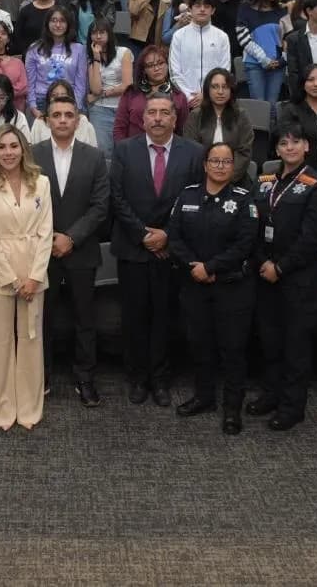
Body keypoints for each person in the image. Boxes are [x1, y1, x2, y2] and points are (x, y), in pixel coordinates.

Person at [110, 93, 204, 406]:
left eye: (165, 112)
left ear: (176, 119)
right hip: (133, 249)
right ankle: (137, 378)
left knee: (165, 317)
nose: (159, 118)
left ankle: (161, 379)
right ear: (143, 117)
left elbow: (193, 199)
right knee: (135, 318)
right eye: (153, 112)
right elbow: (117, 198)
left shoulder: (193, 153)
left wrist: (167, 235)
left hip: (171, 251)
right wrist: (142, 235)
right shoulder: (124, 150)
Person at [166, 140, 259, 434]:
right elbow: (174, 236)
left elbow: (245, 243)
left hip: (232, 288)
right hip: (194, 284)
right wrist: (195, 266)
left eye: (226, 161)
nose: (220, 166)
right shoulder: (188, 195)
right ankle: (204, 397)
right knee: (200, 345)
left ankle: (232, 407)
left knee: (232, 349)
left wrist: (211, 267)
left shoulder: (244, 199)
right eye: (215, 161)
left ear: (234, 167)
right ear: (205, 165)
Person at [245, 121, 317, 429]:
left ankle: (292, 406)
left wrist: (280, 267)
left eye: (296, 142)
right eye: (284, 143)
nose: (289, 147)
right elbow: (252, 223)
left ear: (307, 146)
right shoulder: (265, 180)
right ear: (277, 149)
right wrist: (261, 262)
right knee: (270, 340)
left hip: (297, 278)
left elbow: (313, 236)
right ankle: (271, 393)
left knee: (296, 345)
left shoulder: (316, 184)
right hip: (264, 273)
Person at [0, 124, 53, 431]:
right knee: (1, 342)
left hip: (35, 271)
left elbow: (47, 231)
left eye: (13, 146)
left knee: (32, 341)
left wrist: (34, 277)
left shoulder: (42, 182)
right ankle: (3, 408)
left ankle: (30, 408)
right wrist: (11, 278)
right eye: (2, 147)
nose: (8, 152)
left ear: (23, 149)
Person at [33, 95, 109, 406]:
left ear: (78, 120)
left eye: (68, 115)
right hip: (42, 249)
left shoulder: (94, 156)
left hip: (81, 250)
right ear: (47, 120)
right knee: (42, 317)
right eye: (56, 115)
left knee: (84, 319)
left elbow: (100, 205)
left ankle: (85, 377)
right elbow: (25, 201)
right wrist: (50, 237)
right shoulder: (32, 155)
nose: (62, 120)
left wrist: (72, 238)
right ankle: (42, 374)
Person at [183, 68, 254, 172]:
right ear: (207, 90)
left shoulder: (241, 116)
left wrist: (228, 177)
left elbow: (244, 152)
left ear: (231, 90)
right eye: (215, 87)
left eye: (225, 87)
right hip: (202, 178)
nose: (220, 92)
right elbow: (191, 152)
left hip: (234, 179)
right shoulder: (195, 116)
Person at [113, 45, 189, 141]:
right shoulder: (131, 93)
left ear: (167, 65)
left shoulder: (179, 97)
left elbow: (182, 132)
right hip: (133, 151)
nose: (157, 68)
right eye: (150, 65)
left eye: (160, 63)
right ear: (144, 70)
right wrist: (123, 152)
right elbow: (119, 128)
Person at [169, 0, 231, 108]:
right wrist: (189, 97)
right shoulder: (179, 36)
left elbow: (224, 70)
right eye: (197, 6)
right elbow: (174, 72)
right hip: (186, 101)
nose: (202, 9)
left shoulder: (222, 36)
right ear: (190, 9)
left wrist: (207, 95)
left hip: (214, 100)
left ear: (212, 10)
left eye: (206, 6)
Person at [25, 7, 88, 119]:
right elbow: (30, 82)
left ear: (68, 24)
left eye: (62, 21)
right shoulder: (35, 48)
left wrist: (75, 107)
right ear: (47, 24)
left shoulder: (79, 49)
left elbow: (81, 84)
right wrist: (33, 107)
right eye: (53, 20)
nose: (58, 25)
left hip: (68, 102)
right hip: (41, 103)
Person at [85, 18, 134, 159]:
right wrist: (96, 58)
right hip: (100, 111)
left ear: (109, 34)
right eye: (94, 33)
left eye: (102, 32)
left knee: (124, 152)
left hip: (123, 108)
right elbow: (95, 89)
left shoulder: (123, 52)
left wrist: (102, 94)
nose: (98, 36)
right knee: (103, 153)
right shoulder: (91, 59)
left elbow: (127, 85)